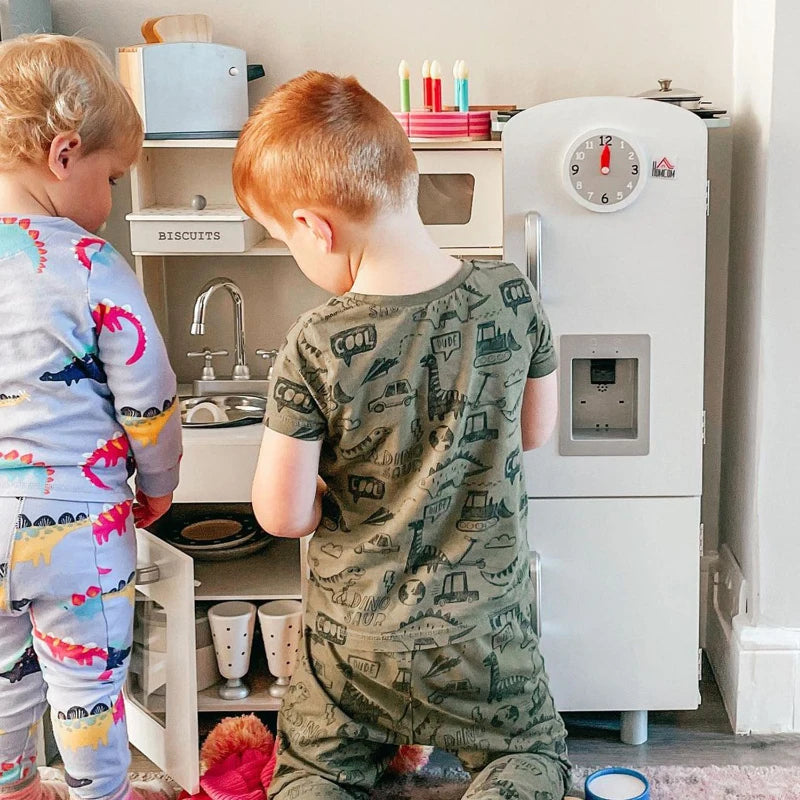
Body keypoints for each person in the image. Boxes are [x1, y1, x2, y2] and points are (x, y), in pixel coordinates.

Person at [234, 71, 570, 800]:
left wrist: (325, 490)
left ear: (314, 229)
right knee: (529, 759)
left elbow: (282, 515)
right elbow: (535, 433)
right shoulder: (512, 295)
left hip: (354, 645)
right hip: (485, 637)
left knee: (315, 773)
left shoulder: (316, 341)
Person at [0, 35, 181, 800]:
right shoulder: (90, 263)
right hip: (77, 527)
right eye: (111, 178)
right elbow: (148, 392)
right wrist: (162, 479)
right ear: (65, 154)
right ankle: (98, 793)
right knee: (88, 685)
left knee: (6, 672)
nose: (109, 202)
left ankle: (12, 785)